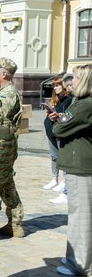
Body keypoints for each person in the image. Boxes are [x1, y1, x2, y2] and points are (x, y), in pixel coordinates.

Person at [51, 64, 92, 276]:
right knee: (80, 215)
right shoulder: (81, 103)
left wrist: (59, 121)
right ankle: (75, 260)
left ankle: (80, 264)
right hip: (82, 166)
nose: (71, 82)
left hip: (81, 167)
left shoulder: (83, 105)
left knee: (81, 217)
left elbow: (60, 129)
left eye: (75, 78)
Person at [0, 57, 25, 239]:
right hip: (1, 145)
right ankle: (15, 223)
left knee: (0, 183)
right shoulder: (4, 92)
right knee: (5, 184)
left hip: (1, 147)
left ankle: (15, 223)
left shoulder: (7, 94)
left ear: (4, 74)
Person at [42, 76, 72, 196]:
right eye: (54, 86)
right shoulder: (55, 99)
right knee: (54, 156)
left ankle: (64, 181)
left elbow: (69, 116)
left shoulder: (70, 100)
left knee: (62, 156)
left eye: (58, 85)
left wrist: (59, 116)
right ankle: (54, 179)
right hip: (51, 130)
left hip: (61, 131)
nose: (56, 88)